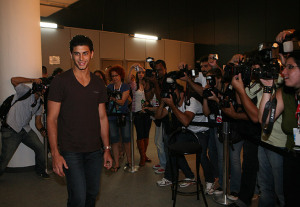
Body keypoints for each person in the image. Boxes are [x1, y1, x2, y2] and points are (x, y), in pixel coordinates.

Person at [47, 35, 113, 207]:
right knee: (78, 198)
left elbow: (102, 117)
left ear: (92, 54)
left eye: (85, 53)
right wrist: (55, 153)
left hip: (94, 151)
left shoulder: (98, 83)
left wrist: (106, 149)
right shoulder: (60, 82)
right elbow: (52, 119)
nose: (81, 58)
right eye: (77, 54)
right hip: (71, 151)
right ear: (71, 55)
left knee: (92, 194)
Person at [155, 77, 214, 188]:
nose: (172, 95)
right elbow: (158, 116)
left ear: (182, 94)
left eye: (174, 92)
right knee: (173, 148)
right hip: (189, 131)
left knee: (201, 155)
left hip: (202, 132)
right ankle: (186, 176)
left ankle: (210, 180)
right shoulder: (175, 103)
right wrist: (162, 102)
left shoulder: (191, 101)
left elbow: (186, 121)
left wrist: (172, 105)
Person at [258, 51, 300, 207]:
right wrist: (268, 89)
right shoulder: (285, 93)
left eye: (290, 67)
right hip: (292, 157)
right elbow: (264, 121)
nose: (284, 72)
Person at [202, 68, 244, 198]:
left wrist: (217, 100)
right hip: (220, 128)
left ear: (219, 78)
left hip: (235, 129)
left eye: (212, 78)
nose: (209, 81)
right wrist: (205, 97)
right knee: (221, 158)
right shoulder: (212, 91)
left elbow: (233, 109)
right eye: (207, 78)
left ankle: (236, 189)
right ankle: (222, 184)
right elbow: (206, 113)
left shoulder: (231, 89)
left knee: (234, 159)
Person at [0, 77, 49, 178]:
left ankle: (40, 170)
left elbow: (38, 122)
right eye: (42, 87)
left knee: (40, 148)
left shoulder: (40, 103)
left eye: (45, 88)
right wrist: (32, 80)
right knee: (5, 159)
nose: (43, 90)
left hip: (25, 130)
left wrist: (42, 130)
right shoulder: (25, 91)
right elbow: (13, 80)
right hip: (11, 130)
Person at [144, 59, 168, 174]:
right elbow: (148, 97)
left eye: (160, 70)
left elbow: (161, 98)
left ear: (165, 69)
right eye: (156, 70)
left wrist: (156, 83)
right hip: (158, 115)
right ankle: (162, 161)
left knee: (162, 141)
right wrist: (149, 82)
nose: (158, 72)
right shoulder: (156, 80)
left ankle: (165, 164)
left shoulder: (167, 81)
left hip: (167, 115)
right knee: (158, 141)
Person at [106, 65, 131, 172]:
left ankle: (130, 161)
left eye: (116, 75)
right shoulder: (109, 87)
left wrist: (112, 98)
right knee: (114, 140)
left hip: (123, 115)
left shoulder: (125, 87)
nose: (115, 78)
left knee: (126, 139)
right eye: (113, 76)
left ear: (121, 76)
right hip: (111, 116)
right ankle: (116, 163)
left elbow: (122, 101)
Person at [127, 64, 152, 166]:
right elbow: (127, 79)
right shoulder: (134, 84)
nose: (141, 74)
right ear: (137, 74)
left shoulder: (148, 84)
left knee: (146, 134)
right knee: (140, 135)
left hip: (147, 112)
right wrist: (132, 68)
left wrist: (144, 69)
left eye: (142, 73)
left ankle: (144, 155)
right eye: (139, 73)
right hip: (137, 113)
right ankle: (142, 156)